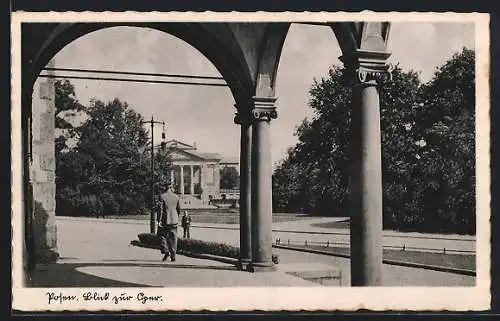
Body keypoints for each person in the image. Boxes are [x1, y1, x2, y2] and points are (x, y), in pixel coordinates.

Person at [157, 181, 181, 262]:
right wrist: (177, 217)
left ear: (165, 187)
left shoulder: (162, 196)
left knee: (161, 235)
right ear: (171, 187)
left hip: (165, 220)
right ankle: (173, 256)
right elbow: (178, 209)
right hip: (174, 220)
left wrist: (159, 220)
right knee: (174, 238)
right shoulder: (176, 197)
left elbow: (160, 210)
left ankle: (166, 251)